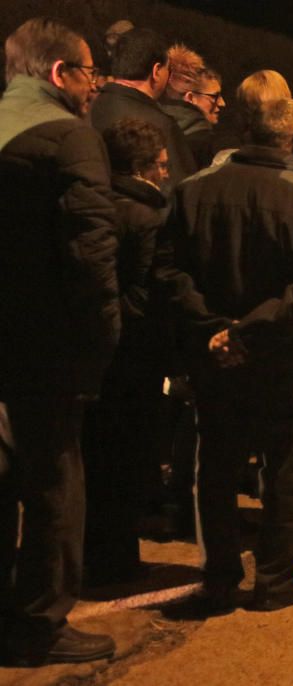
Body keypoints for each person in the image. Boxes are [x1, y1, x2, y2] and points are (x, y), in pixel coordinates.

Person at [155, 98, 293, 613]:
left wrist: (218, 331)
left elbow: (170, 272)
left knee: (215, 467)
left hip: (217, 359)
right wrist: (249, 331)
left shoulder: (194, 190)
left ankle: (220, 578)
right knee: (288, 470)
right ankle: (276, 579)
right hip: (285, 360)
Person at [0, 17, 119, 663]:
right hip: (46, 345)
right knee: (54, 480)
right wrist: (102, 338)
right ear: (58, 74)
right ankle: (42, 621)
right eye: (89, 73)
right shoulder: (69, 139)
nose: (95, 87)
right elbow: (90, 252)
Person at [82, 118, 170, 588]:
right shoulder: (147, 217)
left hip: (95, 353)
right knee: (127, 458)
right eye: (159, 165)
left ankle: (93, 554)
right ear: (140, 168)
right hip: (133, 357)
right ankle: (117, 564)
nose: (165, 174)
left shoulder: (96, 205)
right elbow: (148, 289)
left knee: (95, 455)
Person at [89, 28, 197, 191]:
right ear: (156, 71)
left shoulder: (87, 109)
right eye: (168, 70)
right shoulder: (161, 125)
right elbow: (181, 191)